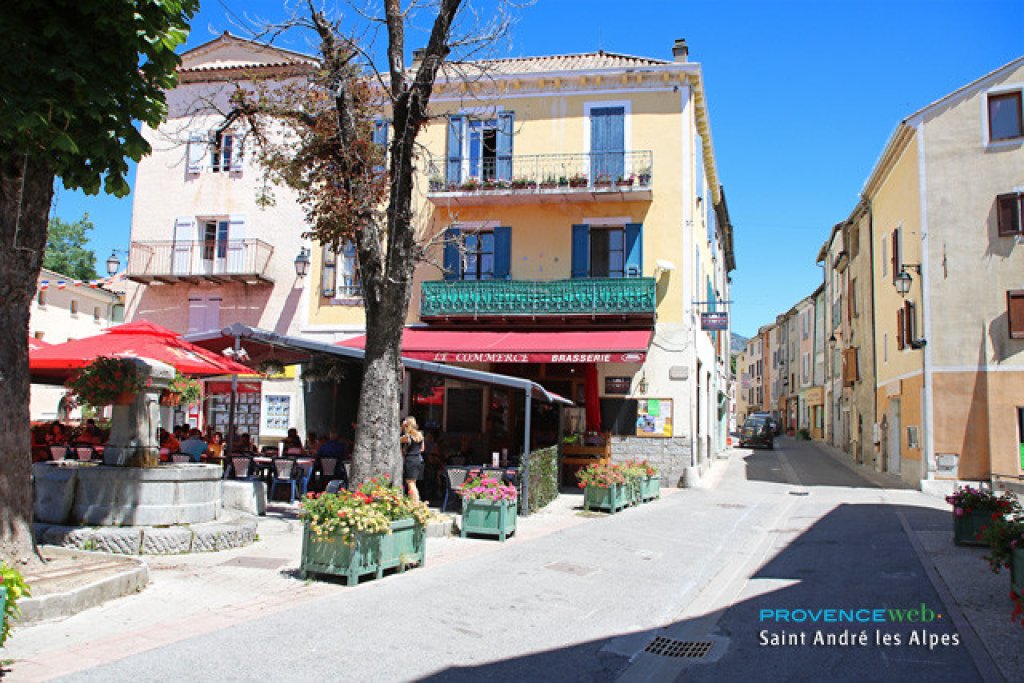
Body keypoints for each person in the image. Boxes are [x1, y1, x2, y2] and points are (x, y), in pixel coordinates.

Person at [400, 416, 425, 503]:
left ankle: (416, 503)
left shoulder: (407, 437)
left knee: (410, 483)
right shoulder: (420, 434)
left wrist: (402, 428)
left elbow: (396, 440)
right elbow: (422, 449)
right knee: (413, 483)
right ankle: (414, 503)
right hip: (418, 460)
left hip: (410, 460)